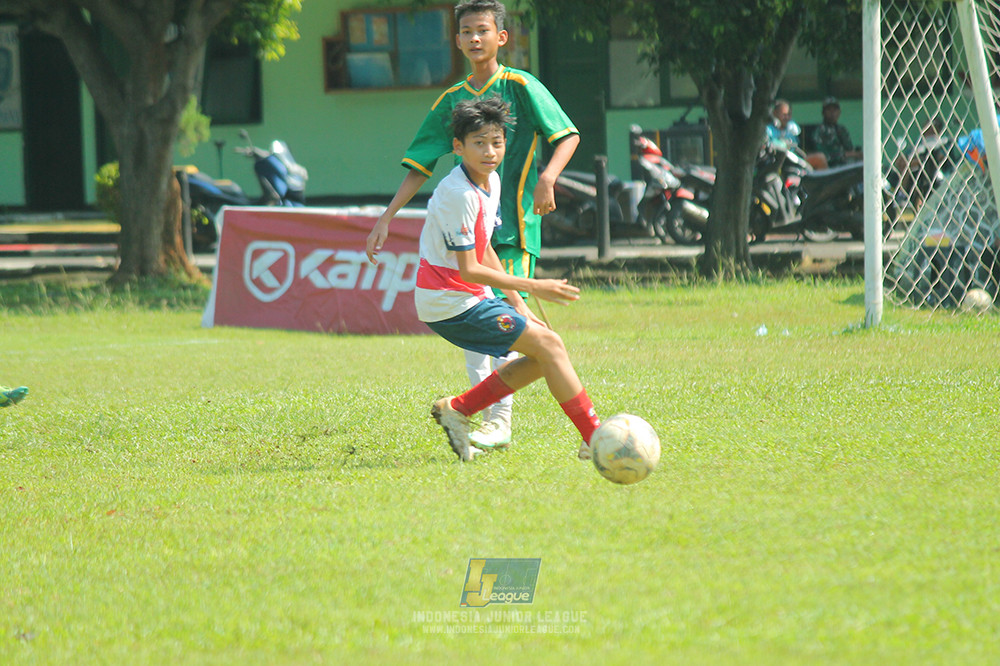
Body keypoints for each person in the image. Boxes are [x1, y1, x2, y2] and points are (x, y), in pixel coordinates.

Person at [366, 0, 580, 452]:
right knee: (489, 329)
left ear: (502, 37)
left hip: (516, 225)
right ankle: (487, 419)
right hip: (471, 228)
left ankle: (494, 420)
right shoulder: (450, 102)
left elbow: (567, 134)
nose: (475, 38)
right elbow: (421, 163)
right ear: (458, 40)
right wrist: (386, 217)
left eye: (484, 30)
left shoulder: (521, 85)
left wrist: (548, 178)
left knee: (516, 325)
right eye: (467, 31)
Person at [414, 96, 600, 462]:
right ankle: (594, 437)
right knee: (549, 347)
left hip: (468, 296)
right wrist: (533, 286)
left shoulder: (491, 182)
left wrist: (517, 303)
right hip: (447, 301)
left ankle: (459, 408)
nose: (489, 151)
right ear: (458, 147)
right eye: (478, 143)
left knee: (544, 352)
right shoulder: (457, 194)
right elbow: (469, 268)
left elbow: (483, 248)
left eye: (496, 142)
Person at [767, 99, 827, 169]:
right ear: (775, 113)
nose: (787, 118)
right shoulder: (768, 129)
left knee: (820, 158)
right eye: (784, 115)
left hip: (794, 160)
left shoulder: (792, 127)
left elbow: (795, 146)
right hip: (775, 162)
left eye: (789, 115)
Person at [811, 97, 862, 167]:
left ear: (839, 112)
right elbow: (823, 156)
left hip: (847, 166)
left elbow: (850, 149)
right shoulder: (820, 131)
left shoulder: (842, 129)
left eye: (835, 110)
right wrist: (845, 154)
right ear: (823, 112)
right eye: (829, 110)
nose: (832, 113)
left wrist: (857, 154)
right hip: (831, 168)